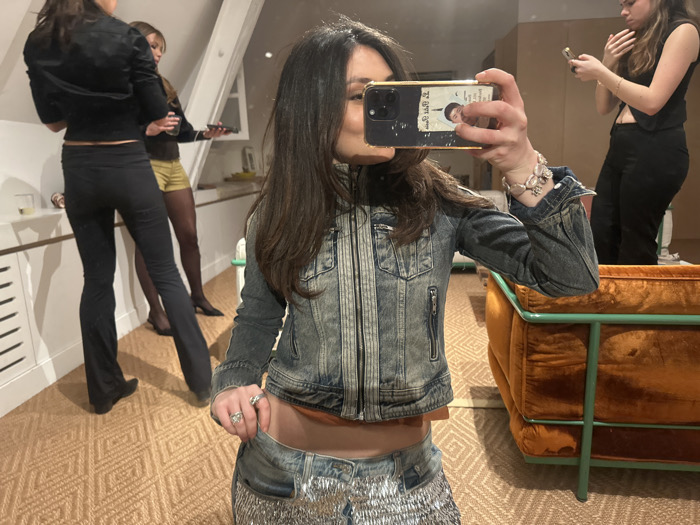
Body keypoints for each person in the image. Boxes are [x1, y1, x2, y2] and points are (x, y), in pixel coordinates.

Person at [210, 17, 599, 523]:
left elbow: (572, 279)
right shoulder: (279, 209)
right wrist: (234, 379)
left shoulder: (439, 202)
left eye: (394, 93)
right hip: (279, 475)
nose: (390, 110)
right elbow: (259, 316)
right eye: (364, 96)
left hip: (407, 478)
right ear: (310, 108)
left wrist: (525, 165)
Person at [23, 0, 213, 414]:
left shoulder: (40, 40)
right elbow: (157, 110)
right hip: (127, 162)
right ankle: (202, 382)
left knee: (96, 280)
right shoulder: (126, 37)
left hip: (79, 166)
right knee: (166, 273)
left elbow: (52, 121)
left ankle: (104, 391)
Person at [569, 0, 700, 264]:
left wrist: (601, 72)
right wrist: (607, 63)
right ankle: (607, 292)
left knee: (635, 243)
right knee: (602, 236)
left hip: (657, 147)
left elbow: (652, 102)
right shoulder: (640, 38)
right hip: (622, 144)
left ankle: (635, 293)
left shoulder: (684, 30)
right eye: (621, 4)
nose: (623, 11)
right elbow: (604, 107)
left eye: (630, 3)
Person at [129, 21, 230, 337]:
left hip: (173, 166)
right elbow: (115, 131)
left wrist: (206, 134)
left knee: (189, 235)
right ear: (133, 44)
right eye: (151, 45)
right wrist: (146, 129)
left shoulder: (165, 85)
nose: (158, 52)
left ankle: (197, 296)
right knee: (148, 244)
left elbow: (181, 131)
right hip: (144, 165)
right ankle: (156, 312)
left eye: (160, 47)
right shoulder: (124, 83)